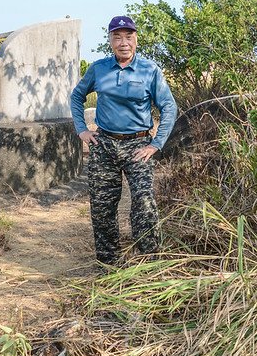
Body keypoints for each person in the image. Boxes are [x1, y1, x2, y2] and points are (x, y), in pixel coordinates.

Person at [70, 15, 178, 266]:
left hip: (138, 145)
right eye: (117, 37)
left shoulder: (150, 70)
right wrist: (82, 130)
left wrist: (156, 143)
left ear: (136, 38)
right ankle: (108, 263)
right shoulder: (98, 69)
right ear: (110, 40)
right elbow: (77, 97)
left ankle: (149, 261)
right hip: (103, 144)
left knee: (144, 201)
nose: (123, 42)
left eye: (128, 36)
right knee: (102, 206)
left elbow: (169, 107)